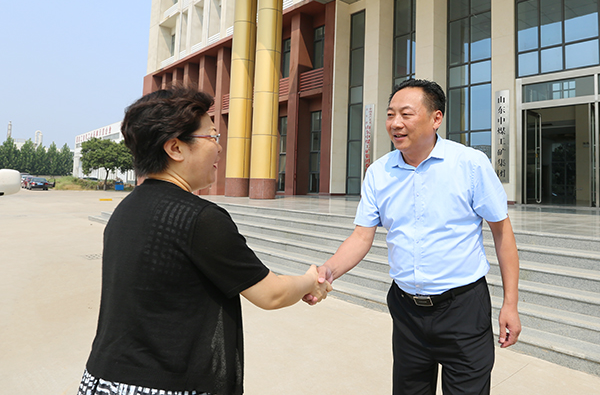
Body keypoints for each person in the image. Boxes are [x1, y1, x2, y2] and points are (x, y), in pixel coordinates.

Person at [77, 87, 331, 395]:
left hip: (103, 381)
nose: (219, 149)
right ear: (175, 148)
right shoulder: (200, 218)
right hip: (163, 386)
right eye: (212, 137)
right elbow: (272, 294)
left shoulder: (125, 210)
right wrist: (309, 279)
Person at [305, 79, 521, 394]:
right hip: (406, 310)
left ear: (436, 118)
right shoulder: (379, 173)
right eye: (391, 114)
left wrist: (510, 304)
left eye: (406, 114)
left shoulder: (470, 164)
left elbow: (503, 235)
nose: (395, 123)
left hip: (463, 309)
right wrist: (328, 271)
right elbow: (361, 237)